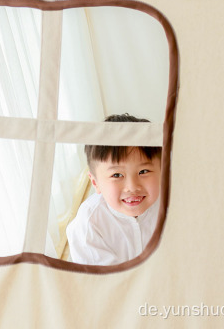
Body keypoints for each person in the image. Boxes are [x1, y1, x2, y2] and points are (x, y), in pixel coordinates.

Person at [66, 113, 162, 266]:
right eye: (117, 175)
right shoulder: (89, 225)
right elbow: (106, 283)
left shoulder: (172, 205)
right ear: (96, 183)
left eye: (143, 172)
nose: (132, 187)